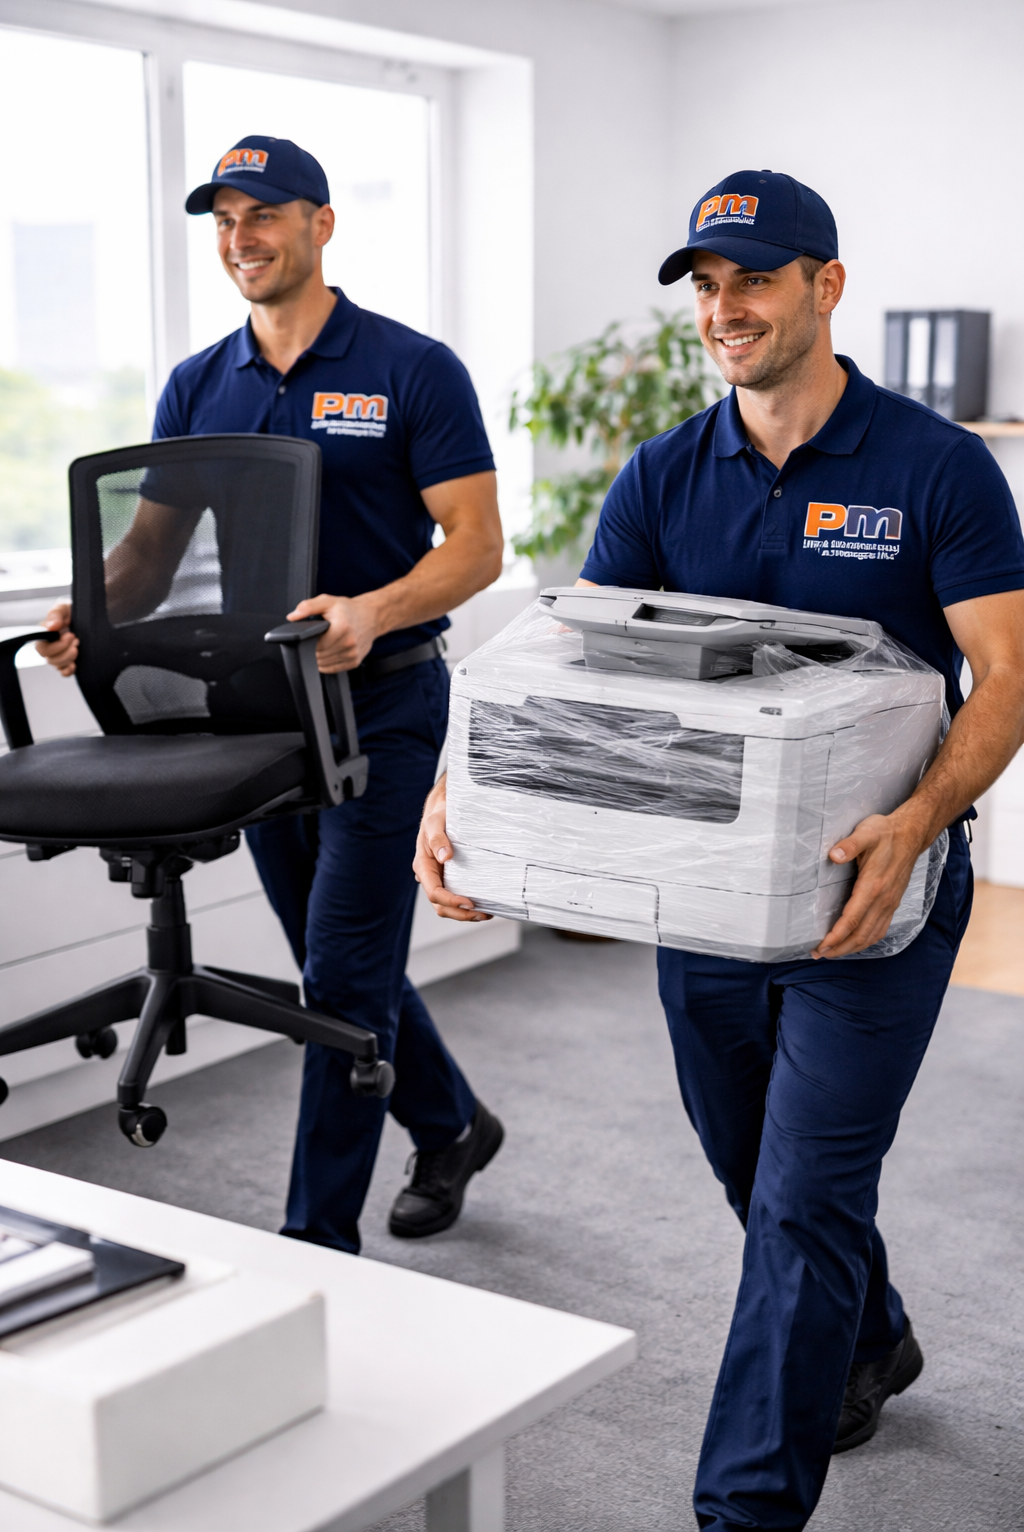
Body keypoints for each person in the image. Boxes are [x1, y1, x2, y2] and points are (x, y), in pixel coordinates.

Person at [412, 170, 1024, 1529]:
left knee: (806, 1195)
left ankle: (741, 1510)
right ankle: (872, 1341)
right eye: (705, 284)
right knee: (752, 1166)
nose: (725, 308)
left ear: (825, 286)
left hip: (878, 895)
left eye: (753, 277)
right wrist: (454, 794)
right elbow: (566, 665)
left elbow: (1006, 674)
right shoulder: (666, 474)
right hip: (703, 890)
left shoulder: (936, 466)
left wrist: (919, 820)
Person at [40, 135, 507, 1256]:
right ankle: (449, 1124)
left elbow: (477, 547)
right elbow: (146, 561)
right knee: (334, 965)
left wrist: (375, 608)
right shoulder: (201, 383)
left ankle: (318, 1244)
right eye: (223, 221)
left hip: (382, 702)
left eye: (264, 215)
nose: (241, 239)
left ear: (321, 224)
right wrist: (82, 614)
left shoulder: (410, 368)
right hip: (256, 712)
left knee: (343, 969)